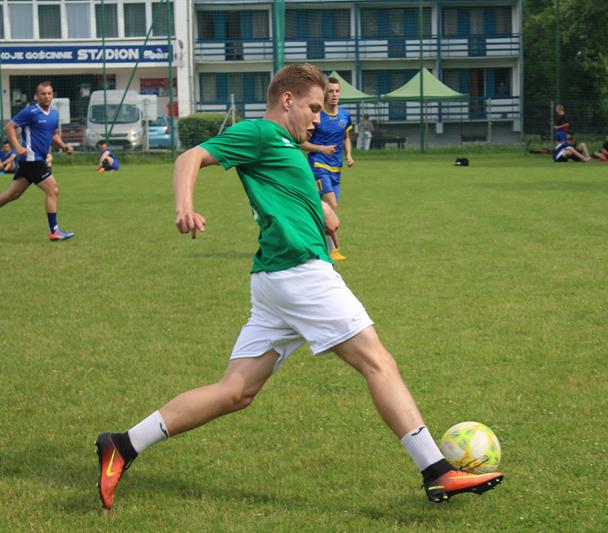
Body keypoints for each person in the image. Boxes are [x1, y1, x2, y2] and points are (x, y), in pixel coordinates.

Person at [94, 63, 504, 511]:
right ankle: (437, 471)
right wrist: (184, 207)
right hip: (300, 274)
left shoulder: (285, 145)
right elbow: (188, 157)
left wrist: (321, 212)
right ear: (287, 100)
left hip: (274, 281)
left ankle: (123, 444)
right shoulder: (261, 133)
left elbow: (286, 188)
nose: (318, 116)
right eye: (313, 107)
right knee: (378, 362)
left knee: (235, 391)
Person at [0, 81, 75, 241]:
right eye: (43, 94)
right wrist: (17, 147)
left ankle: (54, 231)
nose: (46, 96)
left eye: (49, 93)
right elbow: (10, 126)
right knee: (53, 190)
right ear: (37, 96)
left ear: (52, 95)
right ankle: (54, 231)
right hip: (31, 159)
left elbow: (53, 133)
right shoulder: (30, 112)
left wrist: (64, 146)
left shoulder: (54, 113)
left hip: (34, 160)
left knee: (12, 195)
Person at [302, 77, 354, 262]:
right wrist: (321, 149)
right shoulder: (316, 116)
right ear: (324, 94)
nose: (334, 95)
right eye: (330, 91)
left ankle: (314, 244)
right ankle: (332, 250)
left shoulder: (344, 115)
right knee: (331, 205)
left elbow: (346, 137)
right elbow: (301, 143)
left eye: (337, 91)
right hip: (318, 166)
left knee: (326, 209)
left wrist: (349, 155)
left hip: (336, 168)